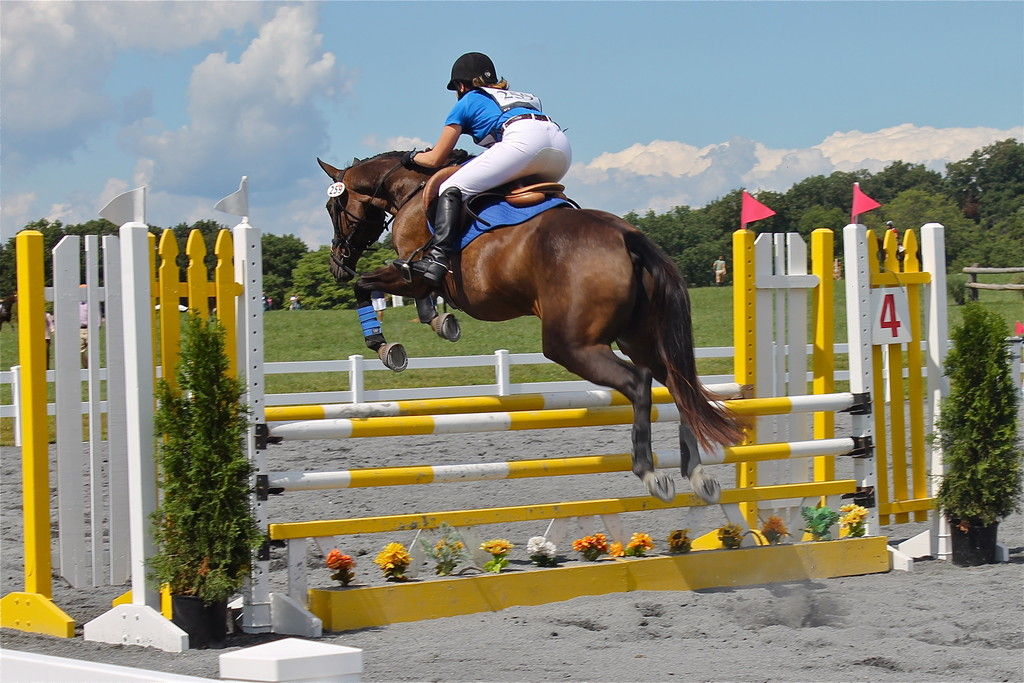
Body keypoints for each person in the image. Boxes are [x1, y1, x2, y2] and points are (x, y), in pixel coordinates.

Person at [412, 52, 572, 285]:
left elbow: (436, 159)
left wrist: (412, 157)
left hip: (523, 141)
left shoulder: (467, 100)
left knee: (451, 186)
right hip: (560, 148)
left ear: (460, 85)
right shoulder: (525, 97)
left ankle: (437, 259)